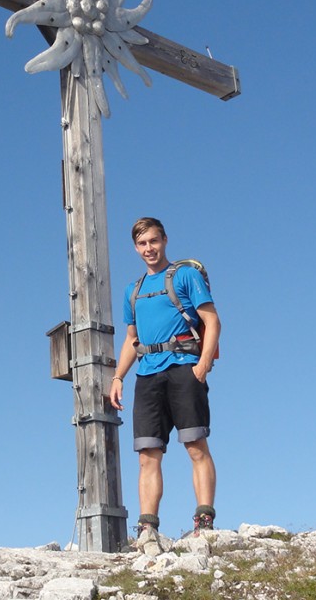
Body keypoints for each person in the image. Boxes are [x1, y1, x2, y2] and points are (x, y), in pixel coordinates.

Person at [109, 217, 222, 549]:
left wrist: (201, 365)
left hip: (184, 366)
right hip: (148, 374)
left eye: (154, 241)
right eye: (143, 244)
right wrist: (118, 377)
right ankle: (147, 528)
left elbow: (212, 320)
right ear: (135, 248)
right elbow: (132, 338)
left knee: (195, 445)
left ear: (165, 241)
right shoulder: (134, 290)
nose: (149, 249)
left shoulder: (185, 275)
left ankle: (204, 520)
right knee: (147, 453)